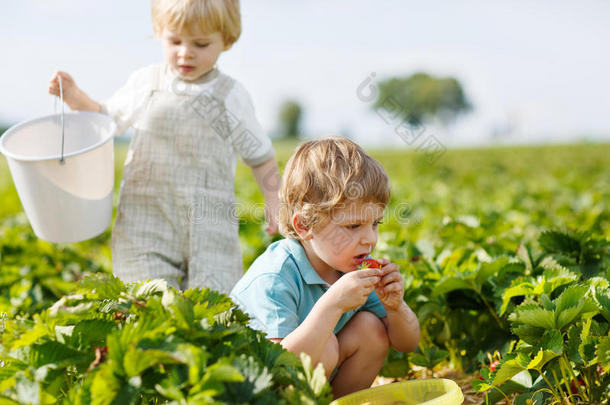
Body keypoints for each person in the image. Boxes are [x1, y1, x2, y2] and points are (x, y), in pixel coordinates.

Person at [47, 0, 280, 294]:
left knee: (211, 308)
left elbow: (260, 156)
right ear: (159, 33)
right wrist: (74, 96)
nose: (186, 52)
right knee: (148, 301)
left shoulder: (230, 96)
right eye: (175, 41)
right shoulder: (148, 83)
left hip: (211, 228)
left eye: (201, 43)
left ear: (227, 40)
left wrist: (274, 200)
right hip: (146, 222)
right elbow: (105, 119)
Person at [230, 136, 420, 398]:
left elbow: (407, 344)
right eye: (353, 226)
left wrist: (395, 306)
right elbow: (276, 367)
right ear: (305, 226)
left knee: (372, 330)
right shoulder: (275, 277)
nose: (370, 239)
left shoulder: (351, 267)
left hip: (309, 384)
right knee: (326, 343)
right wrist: (333, 304)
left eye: (375, 223)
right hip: (258, 391)